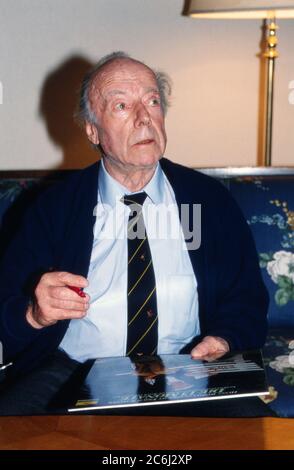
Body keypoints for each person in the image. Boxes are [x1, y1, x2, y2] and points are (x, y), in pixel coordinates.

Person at [0, 52, 270, 415]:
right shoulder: (52, 209)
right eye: (122, 106)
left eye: (152, 101)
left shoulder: (209, 201)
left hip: (186, 370)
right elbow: (7, 317)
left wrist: (223, 339)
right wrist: (35, 313)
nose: (144, 118)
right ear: (93, 130)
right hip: (73, 371)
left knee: (255, 437)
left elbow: (247, 296)